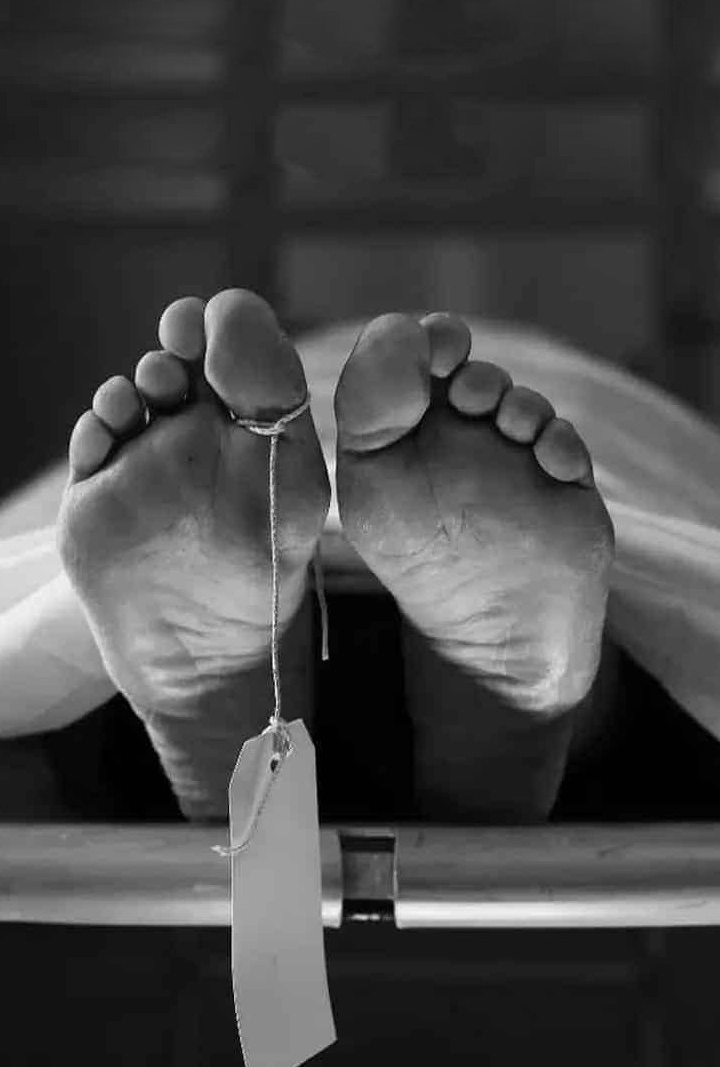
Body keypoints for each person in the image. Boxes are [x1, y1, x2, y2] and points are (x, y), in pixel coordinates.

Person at [3, 287, 720, 824]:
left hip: (122, 759)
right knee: (641, 650)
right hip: (626, 766)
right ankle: (528, 719)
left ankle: (226, 748)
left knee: (71, 695)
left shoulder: (226, 397)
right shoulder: (578, 369)